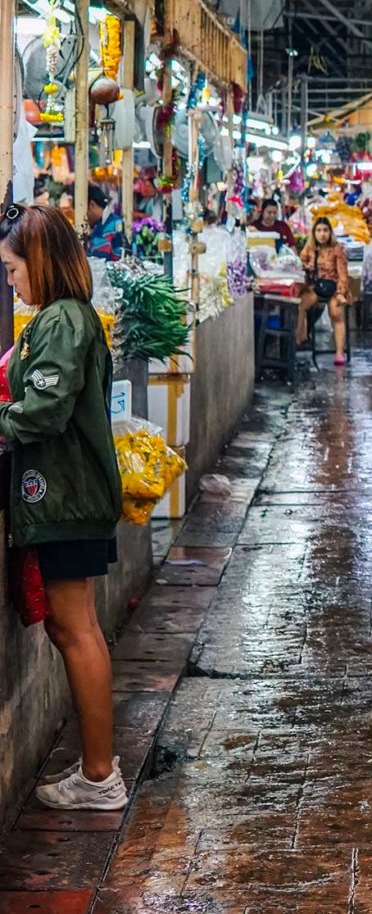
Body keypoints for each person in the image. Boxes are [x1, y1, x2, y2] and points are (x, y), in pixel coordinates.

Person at [0, 205, 125, 809]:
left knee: (75, 631)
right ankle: (99, 770)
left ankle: (101, 777)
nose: (10, 280)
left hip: (68, 492)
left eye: (13, 267)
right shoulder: (61, 318)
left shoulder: (63, 321)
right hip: (72, 490)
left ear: (40, 263)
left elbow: (43, 411)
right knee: (76, 628)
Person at [296, 216, 354, 366]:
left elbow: (343, 274)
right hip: (315, 287)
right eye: (319, 230)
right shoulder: (309, 248)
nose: (322, 234)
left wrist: (341, 292)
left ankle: (340, 352)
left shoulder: (338, 249)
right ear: (314, 233)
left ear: (330, 232)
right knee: (299, 305)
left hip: (334, 287)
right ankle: (302, 337)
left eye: (325, 230)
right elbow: (300, 265)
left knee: (336, 315)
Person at [84, 187, 124, 261]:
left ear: (92, 205)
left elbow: (98, 261)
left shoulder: (105, 229)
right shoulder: (115, 221)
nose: (84, 219)